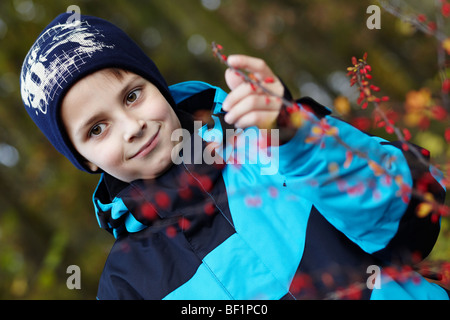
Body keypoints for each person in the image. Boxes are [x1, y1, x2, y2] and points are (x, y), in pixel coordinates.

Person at [20, 12, 448, 300]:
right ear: (85, 159)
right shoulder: (129, 281)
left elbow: (415, 212)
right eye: (97, 129)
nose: (133, 127)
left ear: (158, 86)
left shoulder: (273, 142)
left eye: (133, 95)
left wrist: (296, 137)